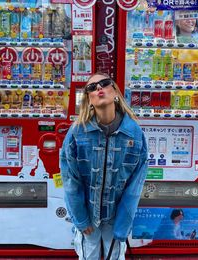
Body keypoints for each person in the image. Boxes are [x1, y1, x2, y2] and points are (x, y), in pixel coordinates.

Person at [61, 72, 148, 259]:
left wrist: (124, 223)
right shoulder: (77, 132)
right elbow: (70, 181)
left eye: (104, 83)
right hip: (88, 214)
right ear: (89, 100)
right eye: (92, 87)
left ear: (115, 91)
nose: (99, 88)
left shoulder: (134, 133)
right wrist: (81, 219)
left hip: (117, 214)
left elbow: (135, 185)